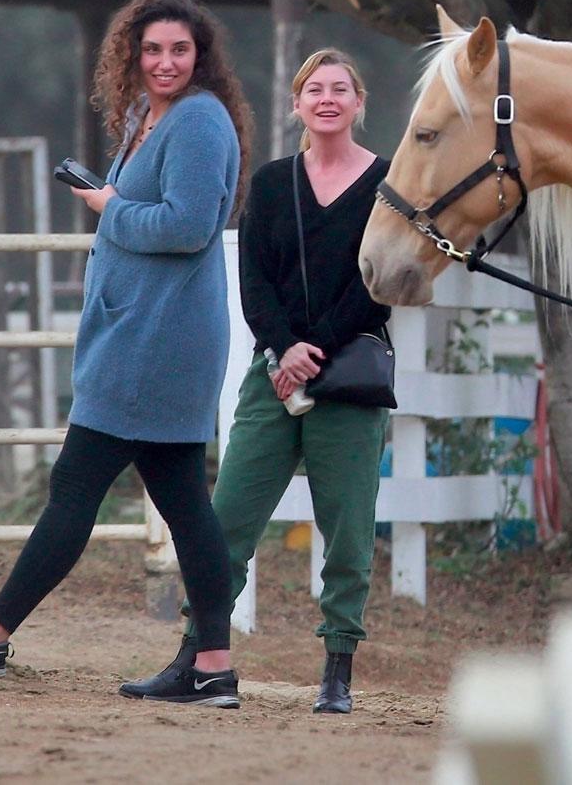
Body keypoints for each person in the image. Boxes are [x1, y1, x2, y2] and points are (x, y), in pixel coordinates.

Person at [0, 0, 255, 707]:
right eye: (151, 48)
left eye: (179, 49)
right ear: (131, 51)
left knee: (79, 488)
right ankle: (212, 664)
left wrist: (109, 207)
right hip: (138, 334)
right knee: (186, 504)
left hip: (154, 343)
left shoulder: (199, 122)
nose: (164, 61)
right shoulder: (147, 117)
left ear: (201, 54)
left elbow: (188, 225)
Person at [121, 48, 391, 714]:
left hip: (348, 381)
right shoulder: (271, 183)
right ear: (297, 104)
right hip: (273, 377)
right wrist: (282, 348)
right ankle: (197, 654)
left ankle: (337, 667)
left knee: (348, 528)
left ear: (358, 102)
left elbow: (378, 284)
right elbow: (254, 281)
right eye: (313, 89)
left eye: (339, 89)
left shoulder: (390, 184)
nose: (326, 99)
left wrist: (315, 349)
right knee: (226, 520)